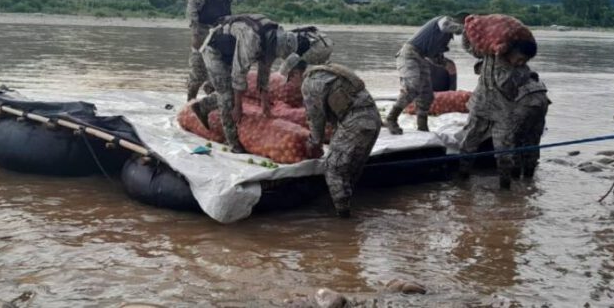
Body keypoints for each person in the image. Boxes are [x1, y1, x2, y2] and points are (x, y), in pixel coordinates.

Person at [190, 14, 295, 153]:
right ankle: (233, 142)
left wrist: (265, 102)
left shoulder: (273, 38)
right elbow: (238, 73)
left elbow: (264, 70)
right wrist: (238, 107)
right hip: (214, 51)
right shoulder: (251, 38)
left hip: (230, 53)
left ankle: (202, 106)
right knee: (227, 96)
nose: (272, 56)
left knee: (234, 92)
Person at [458, 38, 550, 189]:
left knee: (505, 152)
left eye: (524, 61)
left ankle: (506, 188)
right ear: (512, 51)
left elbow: (508, 84)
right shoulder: (490, 56)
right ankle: (462, 182)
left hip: (504, 112)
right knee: (468, 144)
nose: (521, 62)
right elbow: (470, 47)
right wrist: (465, 32)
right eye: (520, 58)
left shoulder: (522, 71)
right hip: (480, 108)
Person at [301, 62, 381, 217]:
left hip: (355, 122)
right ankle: (347, 209)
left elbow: (316, 120)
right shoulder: (330, 71)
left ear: (296, 73)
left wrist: (314, 143)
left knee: (332, 168)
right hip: (373, 118)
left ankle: (343, 218)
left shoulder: (310, 82)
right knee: (349, 170)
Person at [385, 13, 467, 135]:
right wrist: (466, 29)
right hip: (409, 54)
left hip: (421, 58)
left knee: (427, 94)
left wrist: (445, 64)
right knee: (412, 87)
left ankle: (422, 126)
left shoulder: (445, 37)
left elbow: (433, 56)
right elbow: (445, 25)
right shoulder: (444, 20)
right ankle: (391, 119)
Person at [185, 0, 232, 101]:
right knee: (198, 72)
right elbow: (192, 10)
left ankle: (211, 102)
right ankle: (190, 101)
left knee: (218, 73)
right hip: (203, 33)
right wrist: (195, 34)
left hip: (220, 34)